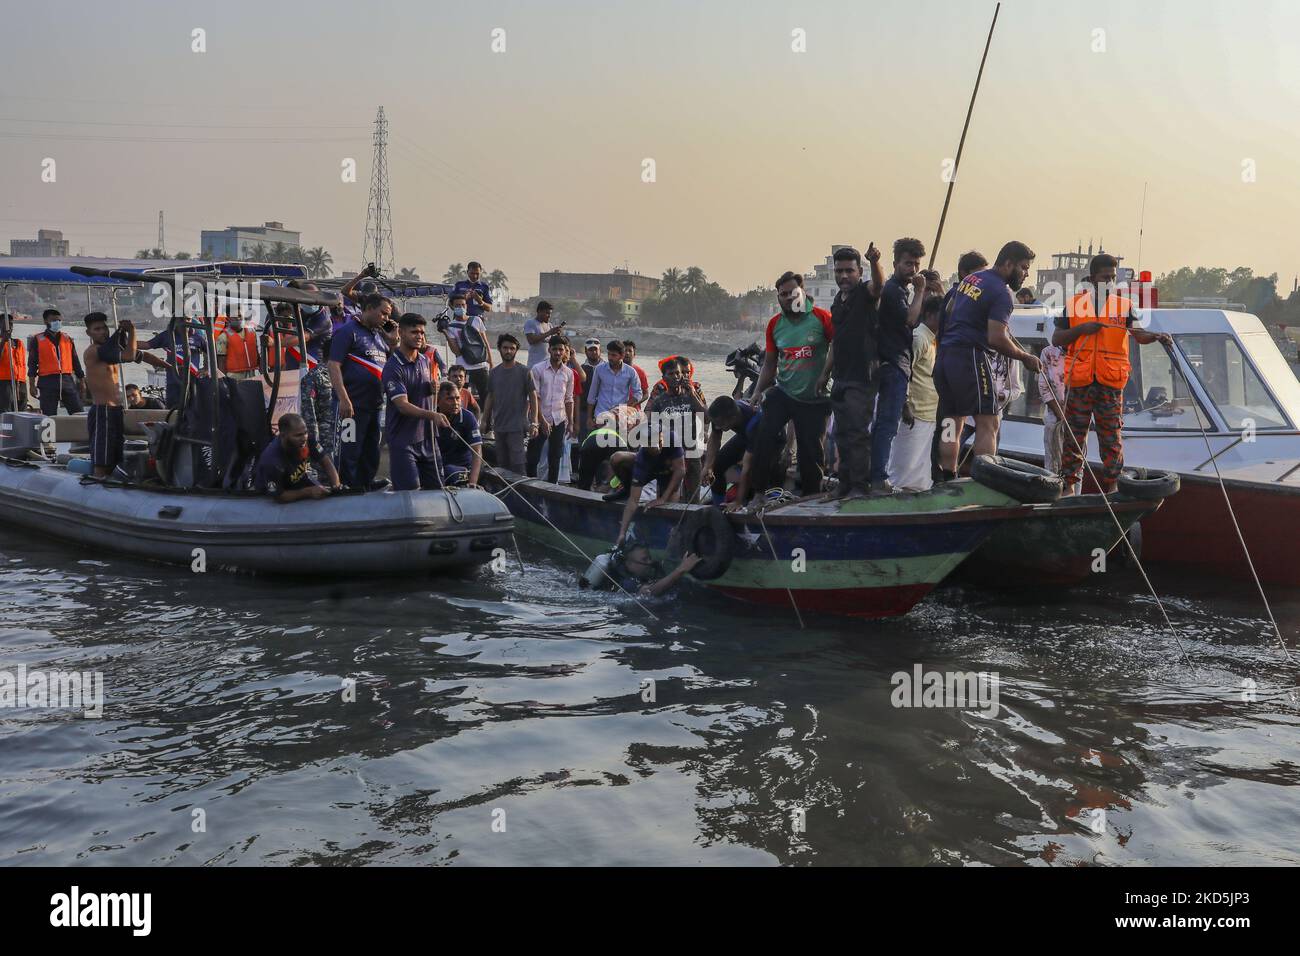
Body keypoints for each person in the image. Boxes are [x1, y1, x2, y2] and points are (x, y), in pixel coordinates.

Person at [1053, 253, 1171, 495]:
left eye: (1113, 277)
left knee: (1111, 437)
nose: (1110, 281)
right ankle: (1069, 486)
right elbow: (1057, 338)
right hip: (1081, 381)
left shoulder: (1124, 306)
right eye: (1105, 277)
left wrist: (1157, 337)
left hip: (1110, 382)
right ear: (1093, 278)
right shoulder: (1074, 304)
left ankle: (1112, 488)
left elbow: (1138, 334)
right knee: (1074, 436)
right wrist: (1082, 329)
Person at [934, 241, 1042, 478]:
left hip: (945, 357)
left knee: (952, 421)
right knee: (989, 422)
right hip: (970, 357)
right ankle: (982, 483)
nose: (1025, 274)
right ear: (1008, 263)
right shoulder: (1001, 292)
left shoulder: (972, 279)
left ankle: (946, 477)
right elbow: (996, 337)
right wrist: (1025, 356)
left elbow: (949, 309)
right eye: (1023, 268)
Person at [748, 270, 835, 505]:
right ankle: (758, 494)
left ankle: (810, 499)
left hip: (814, 397)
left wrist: (825, 374)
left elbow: (836, 345)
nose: (787, 298)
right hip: (784, 391)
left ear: (802, 292)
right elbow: (769, 363)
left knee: (811, 452)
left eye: (791, 293)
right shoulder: (775, 324)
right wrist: (757, 391)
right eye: (782, 294)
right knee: (764, 435)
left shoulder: (820, 317)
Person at [820, 244, 885, 501]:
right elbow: (836, 341)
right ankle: (844, 485)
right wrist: (825, 374)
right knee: (841, 434)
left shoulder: (864, 294)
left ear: (859, 272)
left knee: (858, 433)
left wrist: (875, 261)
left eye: (849, 270)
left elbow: (879, 287)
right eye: (839, 271)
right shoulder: (838, 302)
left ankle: (859, 487)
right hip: (841, 376)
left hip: (862, 377)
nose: (844, 276)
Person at [872, 238, 928, 495]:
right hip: (892, 363)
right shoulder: (894, 290)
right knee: (886, 424)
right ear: (895, 264)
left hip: (898, 364)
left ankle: (878, 476)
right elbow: (911, 320)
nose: (913, 269)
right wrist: (920, 292)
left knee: (887, 423)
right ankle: (878, 478)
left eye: (916, 264)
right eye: (908, 263)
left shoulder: (899, 290)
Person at [328, 292, 398, 491]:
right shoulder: (348, 332)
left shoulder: (379, 336)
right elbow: (333, 365)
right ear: (368, 309)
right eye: (383, 313)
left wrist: (393, 343)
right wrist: (343, 398)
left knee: (371, 449)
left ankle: (365, 481)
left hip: (374, 405)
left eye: (388, 315)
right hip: (352, 405)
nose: (386, 318)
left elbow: (391, 364)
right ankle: (347, 485)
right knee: (349, 448)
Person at [382, 312, 452, 491]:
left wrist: (431, 388)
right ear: (402, 333)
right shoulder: (393, 367)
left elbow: (421, 390)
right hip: (404, 441)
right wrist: (433, 415)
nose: (419, 336)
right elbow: (402, 405)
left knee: (437, 490)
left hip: (429, 439)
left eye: (422, 332)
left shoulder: (424, 360)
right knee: (409, 492)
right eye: (414, 332)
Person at [888, 296, 942, 491]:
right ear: (928, 315)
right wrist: (905, 404)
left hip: (929, 413)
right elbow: (903, 373)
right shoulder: (919, 338)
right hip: (915, 412)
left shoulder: (932, 339)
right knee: (904, 466)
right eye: (941, 315)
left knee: (920, 468)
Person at [644, 356, 707, 501]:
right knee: (666, 496)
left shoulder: (692, 394)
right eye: (670, 374)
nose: (676, 377)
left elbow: (707, 417)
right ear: (664, 378)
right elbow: (652, 425)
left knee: (693, 498)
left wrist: (692, 394)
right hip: (669, 454)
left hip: (692, 452)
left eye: (678, 373)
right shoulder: (659, 400)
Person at [81, 313, 136, 478]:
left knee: (115, 459)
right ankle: (96, 486)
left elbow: (138, 354)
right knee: (102, 462)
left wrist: (166, 365)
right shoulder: (94, 351)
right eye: (97, 329)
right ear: (88, 333)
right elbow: (129, 356)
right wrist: (132, 331)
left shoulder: (109, 350)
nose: (103, 332)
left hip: (116, 411)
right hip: (102, 411)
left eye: (104, 327)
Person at [612, 436, 686, 547]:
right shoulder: (642, 459)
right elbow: (633, 501)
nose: (654, 449)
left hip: (670, 472)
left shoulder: (671, 439)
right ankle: (627, 489)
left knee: (669, 513)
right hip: (652, 470)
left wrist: (663, 498)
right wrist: (622, 533)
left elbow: (681, 470)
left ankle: (670, 544)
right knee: (617, 458)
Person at [252, 412, 342, 502]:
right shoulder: (271, 461)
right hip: (275, 495)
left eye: (305, 432)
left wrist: (336, 487)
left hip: (300, 483)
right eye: (298, 435)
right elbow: (279, 497)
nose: (304, 438)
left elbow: (326, 462)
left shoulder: (306, 440)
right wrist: (309, 492)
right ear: (283, 435)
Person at [290, 282, 337, 457]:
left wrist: (276, 342)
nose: (310, 303)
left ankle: (319, 459)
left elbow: (299, 338)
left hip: (315, 368)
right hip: (296, 371)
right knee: (302, 416)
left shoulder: (323, 318)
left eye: (313, 298)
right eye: (306, 298)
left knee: (314, 421)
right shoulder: (298, 312)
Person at [481, 333, 537, 474]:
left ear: (516, 350)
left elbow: (533, 396)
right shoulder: (494, 372)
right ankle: (504, 494)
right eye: (505, 348)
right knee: (502, 464)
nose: (508, 351)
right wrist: (484, 420)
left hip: (517, 427)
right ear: (499, 349)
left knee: (518, 464)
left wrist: (534, 422)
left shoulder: (525, 371)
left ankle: (521, 493)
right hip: (499, 425)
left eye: (512, 348)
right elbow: (490, 397)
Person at [582, 537, 705, 598]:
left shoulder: (646, 573)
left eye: (649, 557)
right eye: (644, 559)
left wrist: (674, 540)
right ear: (629, 564)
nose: (650, 562)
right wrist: (681, 570)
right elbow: (649, 592)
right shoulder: (627, 583)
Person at [702, 394, 765, 507]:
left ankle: (744, 500)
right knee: (717, 465)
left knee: (756, 471)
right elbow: (715, 437)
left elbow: (747, 468)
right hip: (744, 435)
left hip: (768, 440)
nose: (718, 427)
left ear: (733, 418)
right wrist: (708, 466)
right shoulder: (721, 415)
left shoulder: (754, 423)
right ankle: (719, 506)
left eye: (720, 425)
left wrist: (738, 502)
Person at [527, 335, 575, 481]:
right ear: (549, 350)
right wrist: (542, 421)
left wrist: (571, 422)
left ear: (565, 351)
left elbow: (569, 399)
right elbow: (535, 397)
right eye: (555, 349)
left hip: (559, 419)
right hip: (540, 419)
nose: (558, 353)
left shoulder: (568, 373)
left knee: (555, 457)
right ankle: (529, 483)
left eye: (561, 349)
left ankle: (552, 486)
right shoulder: (538, 369)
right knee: (533, 455)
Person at [141, 311, 207, 409]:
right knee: (173, 409)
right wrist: (127, 344)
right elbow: (147, 345)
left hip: (192, 380)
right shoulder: (167, 335)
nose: (185, 322)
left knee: (193, 408)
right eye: (182, 319)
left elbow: (210, 352)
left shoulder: (197, 338)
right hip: (173, 380)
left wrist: (206, 367)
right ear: (175, 320)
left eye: (188, 319)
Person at [27, 309, 85, 416]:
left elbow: (75, 361)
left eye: (59, 320)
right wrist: (31, 384)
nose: (57, 322)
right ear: (45, 321)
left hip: (67, 380)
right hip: (47, 382)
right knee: (49, 416)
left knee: (78, 412)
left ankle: (79, 432)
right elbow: (32, 364)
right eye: (53, 320)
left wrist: (81, 380)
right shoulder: (37, 339)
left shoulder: (67, 338)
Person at [442, 291, 493, 401]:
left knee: (487, 397)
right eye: (457, 305)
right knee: (460, 397)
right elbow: (456, 352)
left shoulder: (476, 320)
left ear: (466, 306)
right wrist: (446, 333)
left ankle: (486, 418)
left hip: (481, 365)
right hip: (463, 367)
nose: (460, 307)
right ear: (452, 307)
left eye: (463, 305)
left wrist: (491, 364)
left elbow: (485, 343)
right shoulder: (451, 326)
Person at [434, 381, 483, 487]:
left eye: (457, 398)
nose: (456, 402)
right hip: (437, 466)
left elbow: (477, 452)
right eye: (450, 399)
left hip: (461, 469)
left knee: (450, 471)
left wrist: (472, 483)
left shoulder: (468, 418)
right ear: (438, 402)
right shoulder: (430, 417)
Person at [586, 340, 643, 429]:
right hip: (601, 415)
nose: (610, 358)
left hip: (621, 418)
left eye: (614, 355)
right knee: (599, 442)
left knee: (619, 443)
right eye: (609, 354)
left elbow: (638, 394)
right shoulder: (600, 369)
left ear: (622, 356)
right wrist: (589, 418)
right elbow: (592, 395)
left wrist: (623, 408)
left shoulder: (630, 372)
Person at [1038, 341, 1067, 475]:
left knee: (1077, 465)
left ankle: (1073, 495)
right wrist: (1061, 414)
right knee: (1052, 465)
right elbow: (1044, 387)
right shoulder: (1048, 353)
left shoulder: (1084, 352)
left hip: (1078, 419)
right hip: (1054, 419)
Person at [215, 309, 259, 381]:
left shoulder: (252, 332)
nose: (238, 318)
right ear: (228, 319)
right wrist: (223, 380)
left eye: (239, 316)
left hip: (252, 374)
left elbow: (256, 351)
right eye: (234, 316)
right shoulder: (223, 337)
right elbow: (221, 361)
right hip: (233, 376)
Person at [0, 314, 29, 412]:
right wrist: (3, 341)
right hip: (4, 382)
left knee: (22, 411)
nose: (10, 327)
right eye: (6, 324)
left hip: (20, 382)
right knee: (5, 411)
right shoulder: (2, 342)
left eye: (11, 324)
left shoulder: (18, 343)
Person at [523, 300, 564, 368]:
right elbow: (531, 340)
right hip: (534, 365)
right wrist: (549, 332)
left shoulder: (549, 325)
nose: (549, 316)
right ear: (539, 311)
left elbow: (554, 344)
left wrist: (558, 334)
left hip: (547, 365)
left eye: (550, 313)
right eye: (547, 313)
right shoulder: (530, 323)